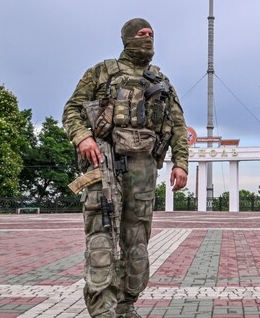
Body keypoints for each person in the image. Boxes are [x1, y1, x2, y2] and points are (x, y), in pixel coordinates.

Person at [62, 18, 189, 318]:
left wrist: (181, 163)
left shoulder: (161, 80)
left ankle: (126, 305)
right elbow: (71, 110)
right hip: (104, 164)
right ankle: (102, 311)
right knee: (102, 239)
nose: (148, 38)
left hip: (144, 168)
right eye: (141, 34)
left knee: (137, 245)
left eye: (151, 34)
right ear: (127, 39)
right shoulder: (101, 72)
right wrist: (83, 138)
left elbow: (179, 126)